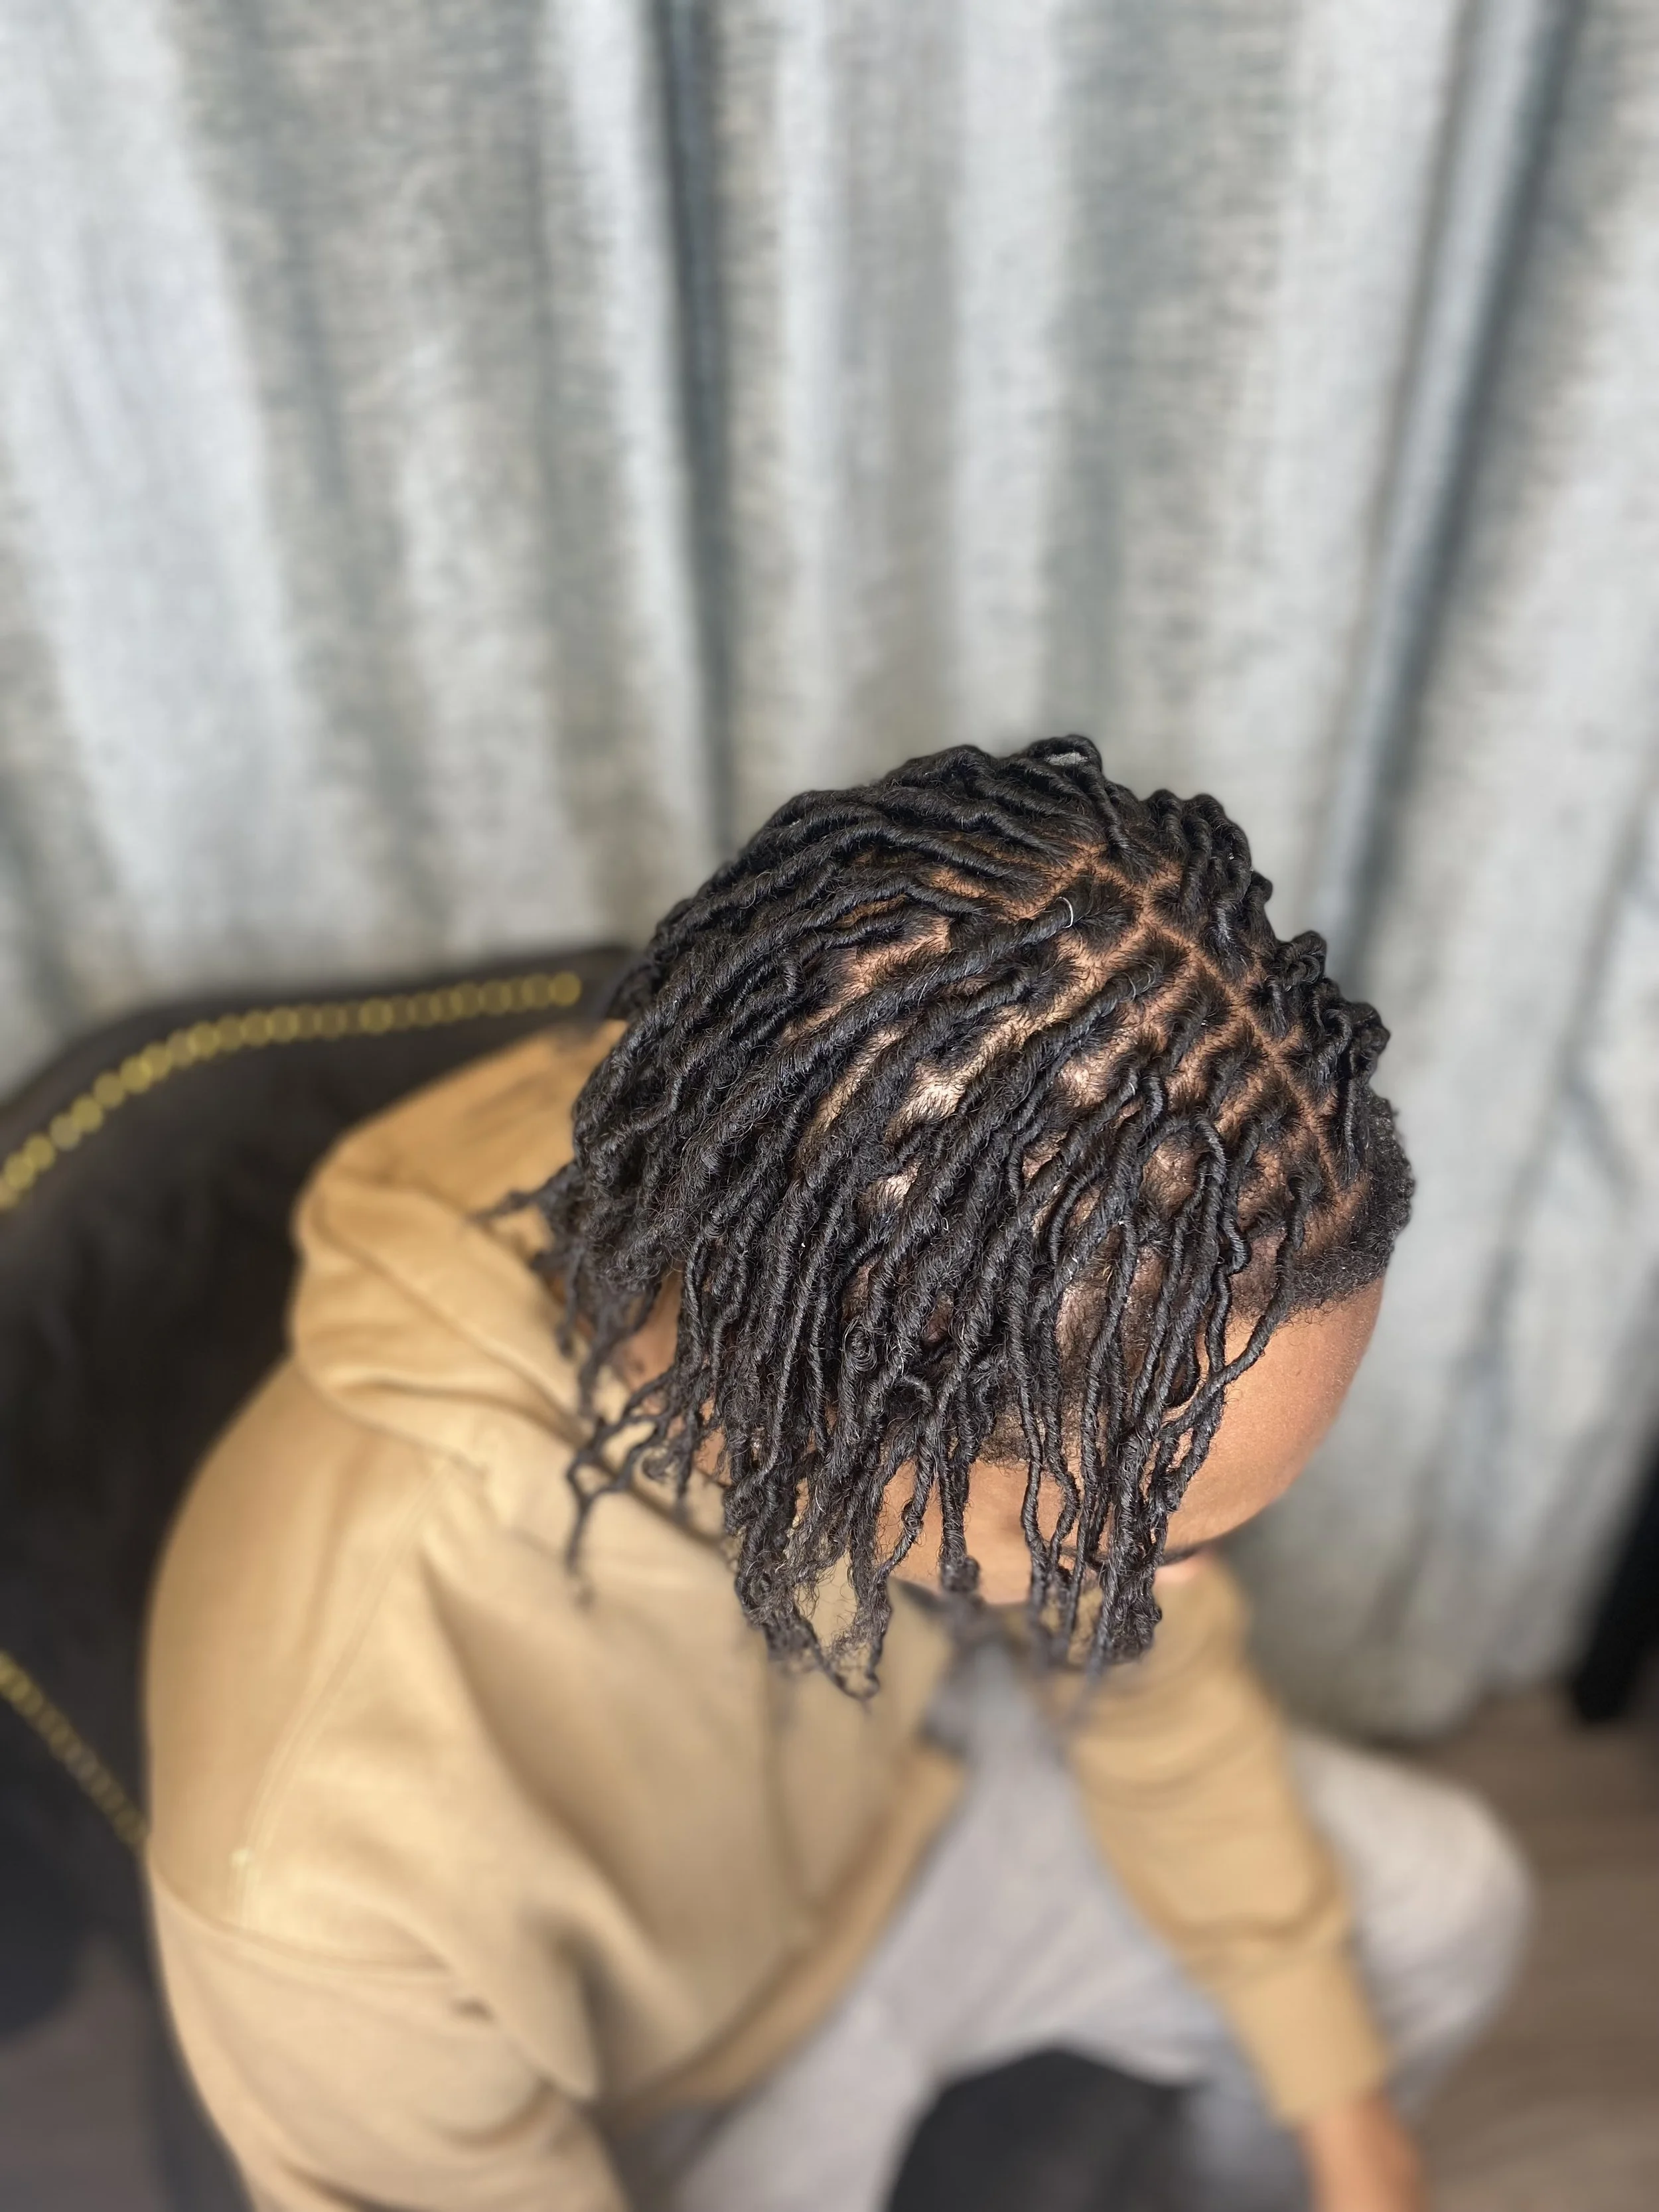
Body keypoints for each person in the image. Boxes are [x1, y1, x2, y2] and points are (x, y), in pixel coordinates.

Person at [144, 738, 1529, 2212]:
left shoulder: (819, 1149)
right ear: (880, 1408)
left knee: (1444, 1908)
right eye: (1133, 1548)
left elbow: (1151, 1690)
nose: (1177, 1593)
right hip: (668, 2097)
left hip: (910, 1813)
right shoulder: (316, 1871)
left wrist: (1345, 2132)